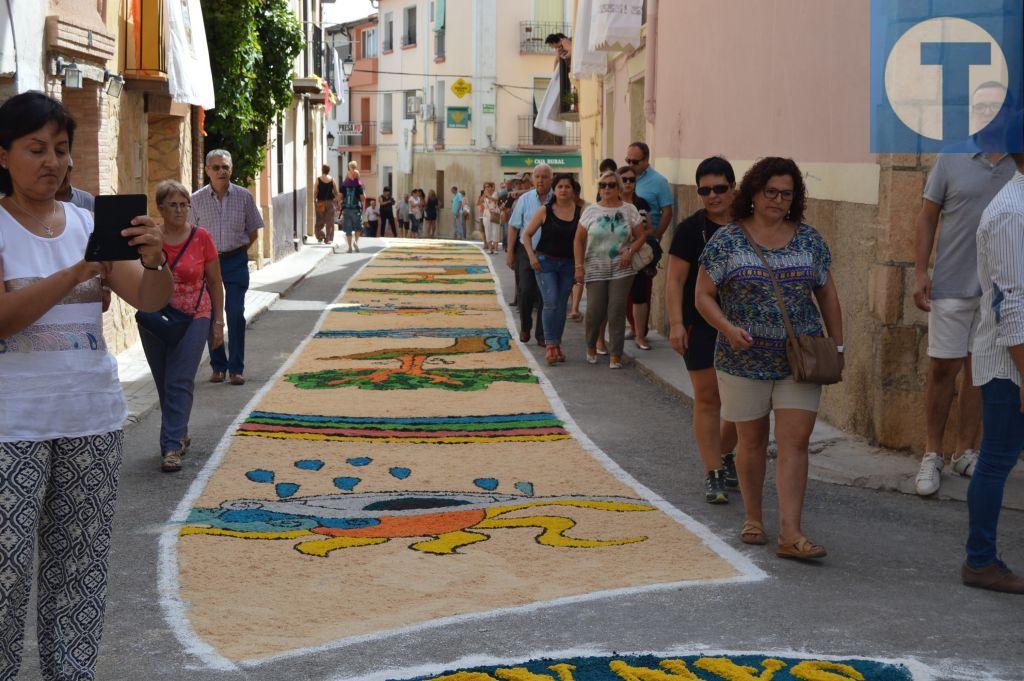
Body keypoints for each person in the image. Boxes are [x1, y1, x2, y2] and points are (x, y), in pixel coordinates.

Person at [0, 91, 172, 680]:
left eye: (61, 150)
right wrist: (76, 273)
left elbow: (149, 298)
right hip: (11, 426)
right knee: (8, 565)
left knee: (80, 564)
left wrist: (154, 260)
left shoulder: (90, 221)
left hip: (92, 419)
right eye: (35, 149)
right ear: (4, 155)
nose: (51, 162)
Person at [695, 157, 843, 561]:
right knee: (752, 441)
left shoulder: (809, 240)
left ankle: (791, 533)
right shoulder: (728, 240)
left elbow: (826, 293)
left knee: (795, 442)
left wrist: (838, 344)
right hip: (742, 360)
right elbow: (703, 294)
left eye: (787, 194)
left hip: (799, 359)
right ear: (754, 193)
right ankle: (754, 516)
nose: (778, 200)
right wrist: (726, 328)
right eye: (771, 192)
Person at [912, 81, 1017, 497]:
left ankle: (964, 452)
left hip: (1002, 290)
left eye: (998, 106)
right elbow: (926, 217)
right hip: (953, 283)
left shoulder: (1018, 162)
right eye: (982, 106)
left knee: (981, 371)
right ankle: (931, 454)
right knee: (943, 369)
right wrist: (921, 270)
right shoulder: (951, 156)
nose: (990, 112)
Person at [963, 149, 1024, 594]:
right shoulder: (1009, 212)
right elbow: (1012, 304)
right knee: (997, 459)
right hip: (1010, 362)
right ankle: (980, 561)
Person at [667, 156, 740, 504]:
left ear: (733, 187)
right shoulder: (689, 230)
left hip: (745, 325)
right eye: (705, 190)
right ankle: (713, 472)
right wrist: (676, 324)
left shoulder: (749, 225)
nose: (713, 196)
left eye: (720, 188)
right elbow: (675, 280)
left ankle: (726, 454)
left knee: (743, 403)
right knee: (709, 398)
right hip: (700, 325)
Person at [141, 180, 225, 472]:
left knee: (179, 379)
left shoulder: (202, 238)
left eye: (183, 204)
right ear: (161, 208)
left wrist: (218, 322)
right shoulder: (150, 238)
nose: (179, 210)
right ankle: (178, 432)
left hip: (194, 316)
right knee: (165, 381)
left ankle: (171, 447)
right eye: (173, 205)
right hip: (155, 315)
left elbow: (215, 282)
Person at [189, 148, 264, 386]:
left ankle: (236, 369)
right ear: (207, 170)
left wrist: (237, 250)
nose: (221, 171)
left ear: (231, 169)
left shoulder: (244, 196)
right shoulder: (196, 200)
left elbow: (253, 231)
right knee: (211, 315)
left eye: (225, 167)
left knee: (235, 313)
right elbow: (191, 234)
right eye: (216, 167)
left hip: (235, 261)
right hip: (208, 263)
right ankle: (218, 366)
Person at [575, 170, 645, 369]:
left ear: (619, 188)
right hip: (595, 266)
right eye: (603, 185)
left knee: (616, 309)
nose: (606, 189)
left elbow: (641, 236)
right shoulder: (590, 211)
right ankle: (591, 345)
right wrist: (579, 266)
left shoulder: (630, 210)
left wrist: (630, 250)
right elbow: (579, 240)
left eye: (611, 185)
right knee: (595, 309)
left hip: (622, 267)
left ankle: (616, 354)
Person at [523, 173, 581, 365]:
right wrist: (531, 257)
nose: (564, 190)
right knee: (551, 302)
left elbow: (582, 241)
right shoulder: (544, 211)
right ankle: (549, 346)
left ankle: (557, 345)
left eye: (567, 186)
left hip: (568, 264)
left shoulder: (581, 212)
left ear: (573, 190)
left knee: (561, 304)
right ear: (554, 191)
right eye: (560, 187)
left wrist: (580, 266)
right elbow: (527, 235)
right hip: (545, 262)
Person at [626, 141, 674, 341]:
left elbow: (667, 211)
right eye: (627, 159)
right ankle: (633, 326)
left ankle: (641, 331)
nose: (630, 164)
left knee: (642, 288)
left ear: (646, 160)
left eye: (634, 161)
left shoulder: (658, 181)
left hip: (646, 243)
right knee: (625, 289)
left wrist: (657, 235)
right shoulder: (624, 178)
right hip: (623, 243)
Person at [508, 164, 554, 345]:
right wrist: (510, 252)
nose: (540, 180)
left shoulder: (557, 199)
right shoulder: (525, 199)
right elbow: (513, 226)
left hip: (550, 253)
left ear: (551, 179)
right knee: (525, 290)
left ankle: (542, 334)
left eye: (544, 177)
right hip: (526, 252)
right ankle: (526, 326)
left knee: (545, 295)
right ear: (533, 179)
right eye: (537, 176)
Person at [618, 164, 656, 350]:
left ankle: (641, 336)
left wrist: (636, 240)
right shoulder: (610, 201)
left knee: (640, 295)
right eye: (624, 179)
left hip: (638, 255)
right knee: (622, 297)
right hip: (617, 256)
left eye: (631, 179)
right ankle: (631, 329)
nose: (628, 183)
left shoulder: (641, 203)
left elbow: (649, 229)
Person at [340, 162, 364, 252]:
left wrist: (340, 204)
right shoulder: (358, 185)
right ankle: (356, 242)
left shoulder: (344, 184)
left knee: (348, 229)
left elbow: (340, 197)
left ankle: (349, 247)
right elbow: (363, 199)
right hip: (356, 209)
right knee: (358, 227)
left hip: (346, 209)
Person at [313, 164, 339, 244]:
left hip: (320, 202)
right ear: (329, 170)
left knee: (319, 220)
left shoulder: (318, 179)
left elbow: (315, 191)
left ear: (322, 170)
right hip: (330, 202)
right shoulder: (332, 180)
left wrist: (314, 200)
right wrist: (337, 202)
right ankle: (328, 239)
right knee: (329, 221)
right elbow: (336, 192)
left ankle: (320, 236)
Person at [482, 182, 501, 254]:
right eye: (485, 187)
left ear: (491, 187)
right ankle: (490, 248)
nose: (487, 188)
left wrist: (488, 196)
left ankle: (496, 248)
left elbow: (496, 200)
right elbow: (479, 202)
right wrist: (483, 196)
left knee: (495, 230)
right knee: (488, 231)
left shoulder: (495, 193)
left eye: (488, 186)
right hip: (486, 214)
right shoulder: (484, 195)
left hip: (495, 213)